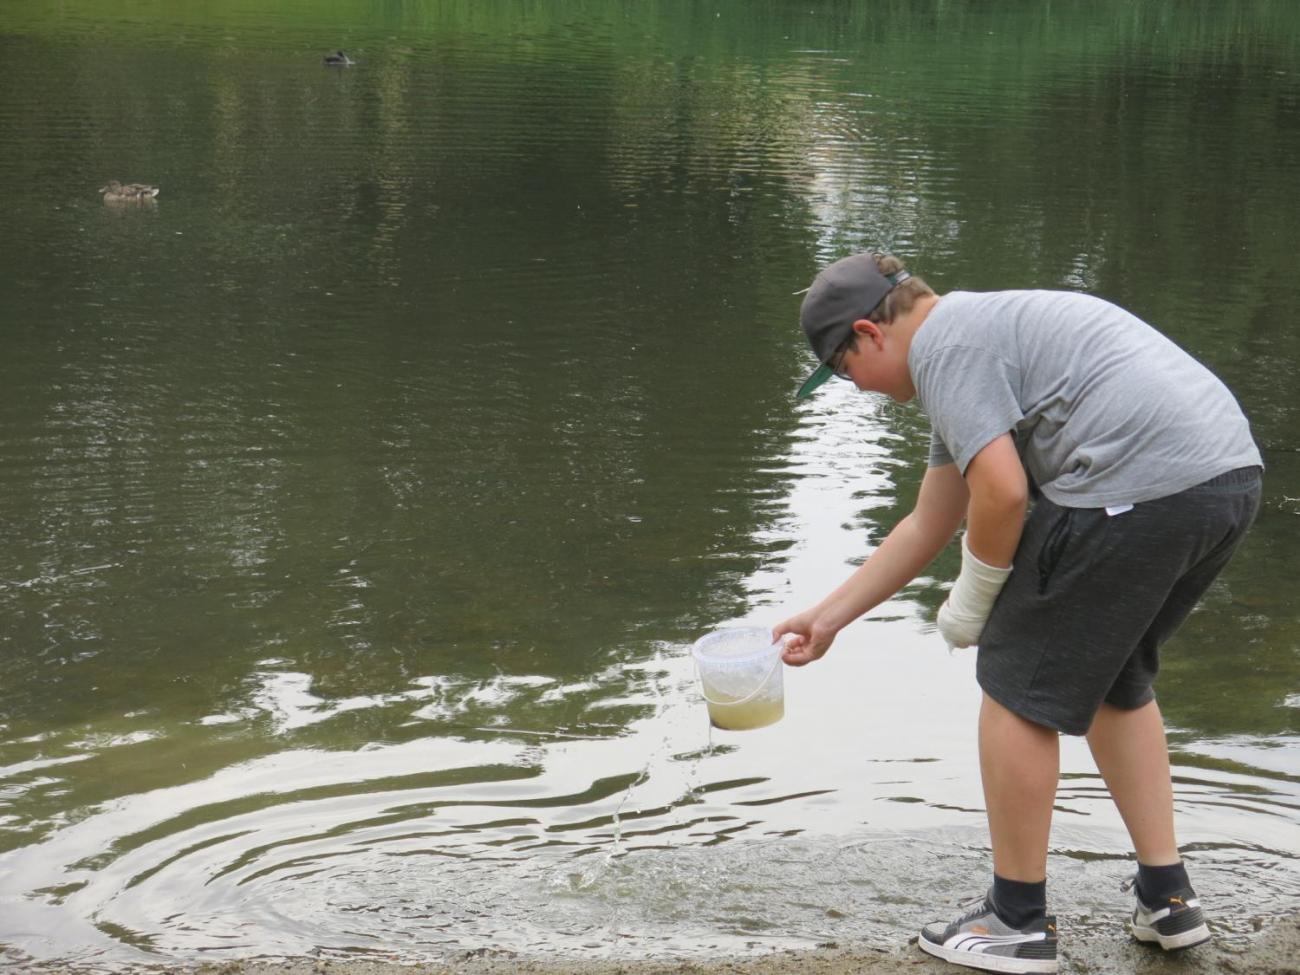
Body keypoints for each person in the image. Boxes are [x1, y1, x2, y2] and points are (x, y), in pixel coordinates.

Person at [772, 253, 1263, 975]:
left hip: (1135, 482)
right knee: (1115, 678)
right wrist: (827, 617)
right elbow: (931, 519)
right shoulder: (978, 339)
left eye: (846, 374)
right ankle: (1168, 897)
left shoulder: (949, 348)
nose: (860, 391)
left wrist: (974, 601)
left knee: (1012, 680)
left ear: (870, 334)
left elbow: (1000, 494)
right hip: (1223, 481)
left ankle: (1016, 919)